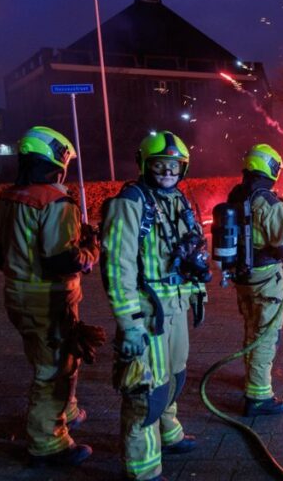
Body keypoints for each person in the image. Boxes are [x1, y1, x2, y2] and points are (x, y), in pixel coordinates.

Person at [100, 131, 208, 481]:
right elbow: (118, 266)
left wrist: (197, 287)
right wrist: (129, 323)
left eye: (174, 165)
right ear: (146, 164)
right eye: (160, 165)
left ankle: (169, 433)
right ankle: (143, 468)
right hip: (148, 313)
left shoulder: (178, 199)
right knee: (146, 389)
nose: (167, 172)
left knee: (175, 375)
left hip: (175, 306)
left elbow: (185, 250)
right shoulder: (130, 202)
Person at [0, 126, 102, 466]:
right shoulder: (55, 201)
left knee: (53, 357)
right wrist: (90, 249)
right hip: (49, 298)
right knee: (52, 369)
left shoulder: (10, 197)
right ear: (58, 158)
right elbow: (62, 260)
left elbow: (0, 252)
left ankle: (65, 410)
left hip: (18, 294)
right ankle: (47, 442)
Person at [226, 144, 283, 417]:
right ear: (271, 169)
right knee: (266, 335)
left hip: (244, 277)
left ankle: (252, 377)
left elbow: (256, 221)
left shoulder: (239, 193)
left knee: (252, 327)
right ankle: (258, 396)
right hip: (266, 280)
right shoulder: (268, 202)